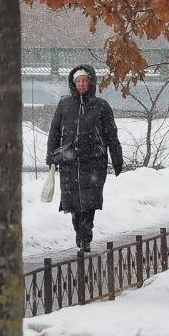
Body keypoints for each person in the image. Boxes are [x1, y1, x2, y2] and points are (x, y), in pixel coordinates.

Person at [46, 64, 123, 252]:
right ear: (73, 83)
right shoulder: (64, 105)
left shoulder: (101, 106)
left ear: (91, 83)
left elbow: (111, 134)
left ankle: (85, 236)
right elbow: (54, 131)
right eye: (78, 81)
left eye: (84, 81)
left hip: (94, 160)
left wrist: (116, 157)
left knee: (89, 201)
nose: (81, 84)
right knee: (72, 203)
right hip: (69, 161)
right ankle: (78, 231)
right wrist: (51, 155)